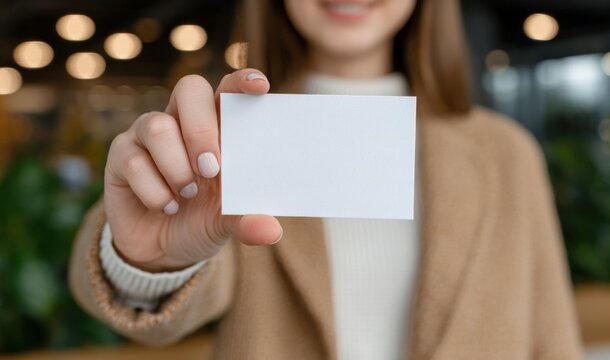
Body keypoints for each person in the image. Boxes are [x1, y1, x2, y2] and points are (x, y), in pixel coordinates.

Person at [69, 0, 583, 358]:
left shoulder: (505, 154)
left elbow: (551, 339)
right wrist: (146, 262)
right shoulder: (224, 135)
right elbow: (148, 307)